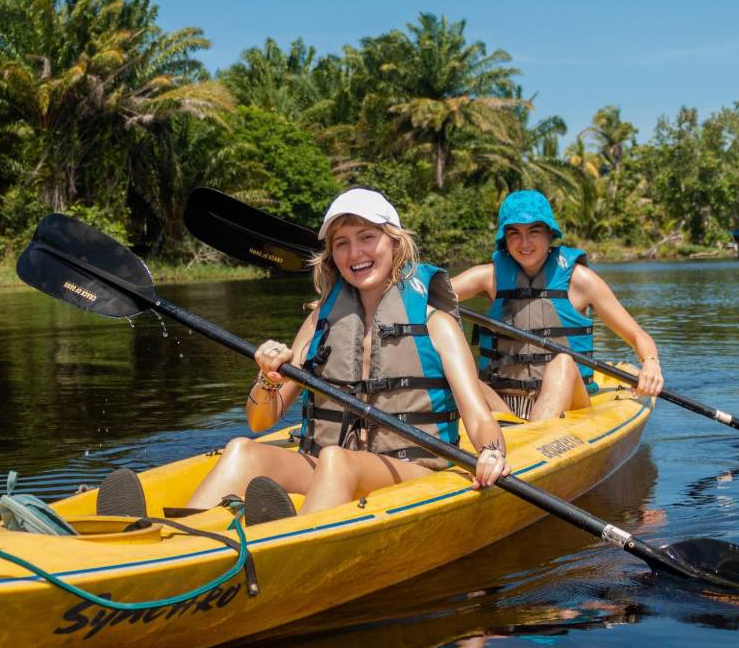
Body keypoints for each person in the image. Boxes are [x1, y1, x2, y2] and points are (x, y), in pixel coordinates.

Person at [185, 188, 511, 522]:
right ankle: (177, 547)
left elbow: (479, 418)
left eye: (367, 237)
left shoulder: (437, 326)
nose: (355, 253)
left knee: (337, 461)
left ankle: (286, 551)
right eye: (342, 243)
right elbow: (260, 420)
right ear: (332, 254)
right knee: (242, 450)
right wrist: (266, 379)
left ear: (395, 243)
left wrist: (490, 452)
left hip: (412, 471)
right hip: (331, 465)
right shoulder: (319, 323)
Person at [452, 190, 663, 421]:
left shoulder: (581, 280)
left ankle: (536, 435)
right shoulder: (489, 277)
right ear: (504, 239)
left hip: (570, 403)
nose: (524, 243)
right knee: (456, 371)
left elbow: (638, 337)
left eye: (533, 231)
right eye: (514, 233)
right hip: (503, 404)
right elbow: (426, 296)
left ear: (549, 233)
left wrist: (650, 364)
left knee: (563, 362)